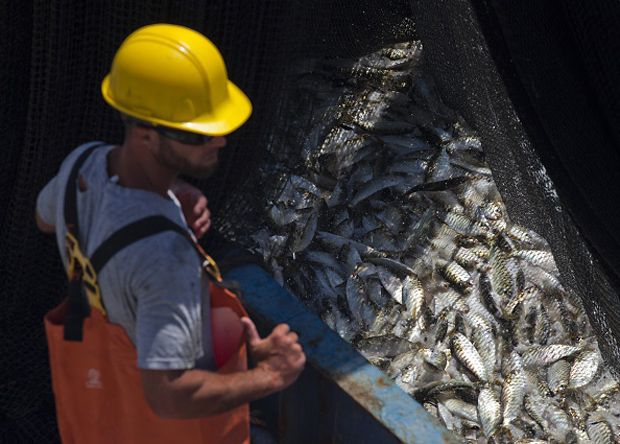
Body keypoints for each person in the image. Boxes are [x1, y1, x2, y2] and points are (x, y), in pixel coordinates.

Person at [36, 23, 305, 444]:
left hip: (97, 363)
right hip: (161, 416)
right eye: (197, 133)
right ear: (145, 136)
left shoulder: (80, 164)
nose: (219, 140)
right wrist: (270, 376)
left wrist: (166, 193)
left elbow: (45, 220)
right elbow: (170, 396)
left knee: (226, 328)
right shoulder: (168, 260)